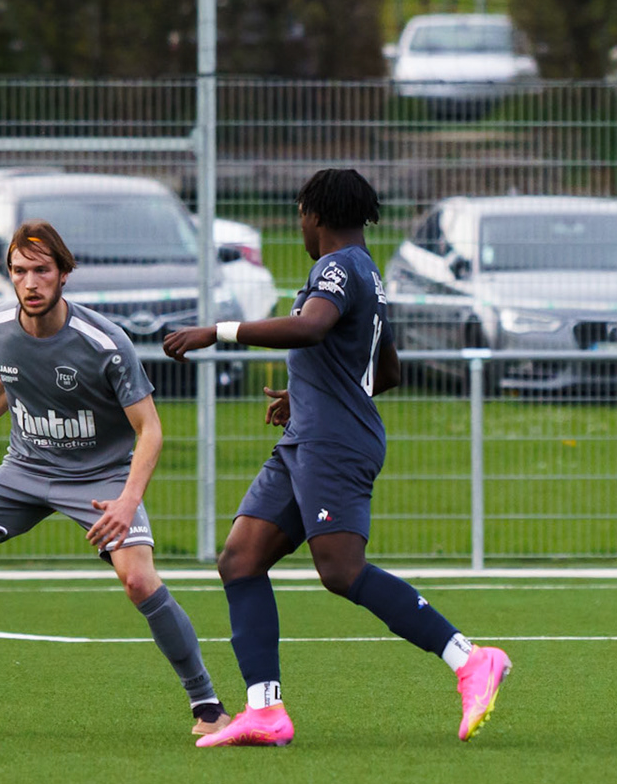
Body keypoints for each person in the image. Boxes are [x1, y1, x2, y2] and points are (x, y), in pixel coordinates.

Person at [163, 168, 512, 747]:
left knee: (341, 571)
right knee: (241, 559)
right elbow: (388, 369)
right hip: (309, 436)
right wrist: (308, 396)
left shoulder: (337, 266)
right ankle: (265, 711)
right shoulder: (369, 275)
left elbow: (312, 327)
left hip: (333, 444)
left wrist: (217, 331)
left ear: (313, 213)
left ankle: (470, 659)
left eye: (301, 214)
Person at [0, 219, 232, 736]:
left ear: (64, 274)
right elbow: (10, 379)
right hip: (24, 469)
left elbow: (151, 430)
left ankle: (208, 707)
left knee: (138, 579)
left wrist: (126, 500)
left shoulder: (105, 342)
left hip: (101, 479)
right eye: (20, 271)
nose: (30, 282)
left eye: (42, 270)